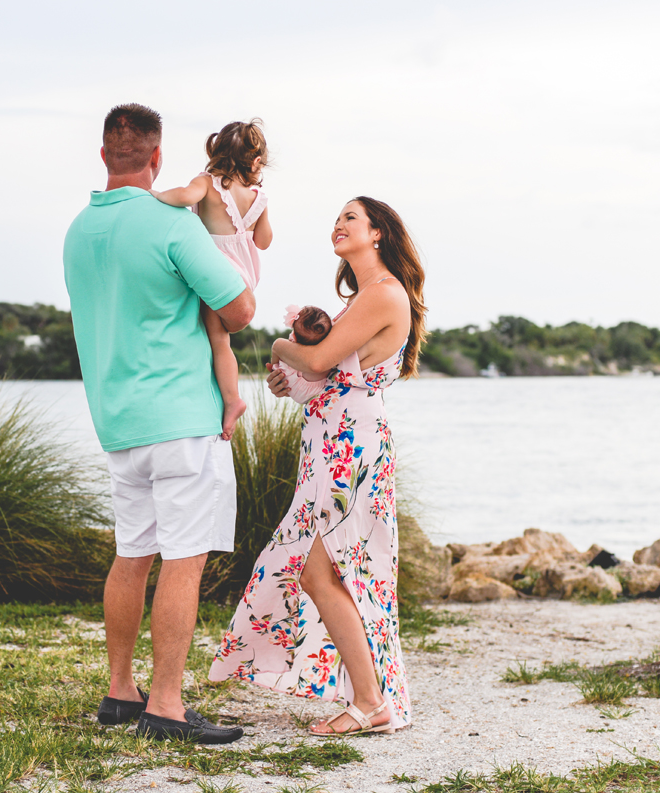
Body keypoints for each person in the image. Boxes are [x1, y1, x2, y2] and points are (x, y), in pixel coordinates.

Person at [63, 103, 256, 745]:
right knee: (183, 560)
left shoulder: (78, 230)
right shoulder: (170, 223)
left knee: (131, 555)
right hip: (181, 419)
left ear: (103, 156)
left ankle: (120, 692)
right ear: (155, 158)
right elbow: (241, 308)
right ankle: (167, 705)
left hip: (118, 424)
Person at [209, 196, 427, 737]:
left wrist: (283, 346)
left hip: (352, 452)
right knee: (333, 571)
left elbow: (320, 360)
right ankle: (369, 698)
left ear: (378, 233)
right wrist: (292, 386)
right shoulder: (357, 299)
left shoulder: (384, 294)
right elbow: (325, 378)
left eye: (351, 217)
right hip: (330, 445)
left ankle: (371, 701)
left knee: (322, 569)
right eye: (338, 217)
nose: (339, 223)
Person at [153, 119, 273, 440]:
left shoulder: (207, 183)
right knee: (221, 339)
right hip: (245, 274)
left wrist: (154, 195)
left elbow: (182, 196)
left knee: (218, 340)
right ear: (256, 161)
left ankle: (232, 400)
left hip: (216, 269)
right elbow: (263, 241)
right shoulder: (257, 196)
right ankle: (230, 397)